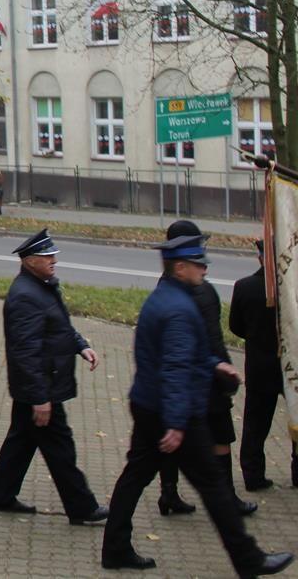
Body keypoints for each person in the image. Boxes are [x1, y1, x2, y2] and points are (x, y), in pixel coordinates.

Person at [100, 233, 292, 576]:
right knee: (215, 488)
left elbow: (177, 355)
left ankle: (115, 547)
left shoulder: (165, 298)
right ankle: (249, 560)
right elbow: (174, 368)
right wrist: (175, 424)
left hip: (149, 405)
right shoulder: (179, 309)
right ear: (180, 267)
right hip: (174, 413)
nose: (204, 269)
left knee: (134, 477)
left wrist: (213, 364)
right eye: (198, 264)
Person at [0, 229, 108, 525]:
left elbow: (57, 326)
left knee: (21, 440)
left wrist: (81, 346)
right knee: (60, 448)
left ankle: (1, 496)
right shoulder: (26, 296)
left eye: (53, 254)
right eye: (46, 256)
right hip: (42, 386)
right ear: (28, 261)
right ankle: (82, 507)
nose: (53, 260)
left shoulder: (41, 286)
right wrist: (39, 397)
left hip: (41, 383)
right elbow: (24, 353)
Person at [157, 221, 255, 517]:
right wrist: (226, 378)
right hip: (205, 379)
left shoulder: (165, 285)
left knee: (173, 438)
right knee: (221, 438)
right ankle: (227, 499)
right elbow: (212, 340)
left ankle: (169, 494)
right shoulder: (203, 292)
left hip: (175, 379)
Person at [230, 239, 298, 491]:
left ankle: (253, 475)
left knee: (255, 425)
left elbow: (235, 326)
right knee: (296, 419)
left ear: (260, 258)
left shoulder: (245, 287)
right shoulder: (293, 289)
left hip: (259, 367)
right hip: (292, 367)